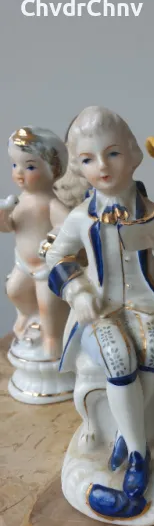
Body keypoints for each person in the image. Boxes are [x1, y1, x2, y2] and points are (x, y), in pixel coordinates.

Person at [46, 106, 154, 518]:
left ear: (133, 156)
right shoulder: (81, 218)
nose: (102, 166)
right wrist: (76, 290)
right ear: (78, 167)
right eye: (88, 159)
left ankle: (125, 440)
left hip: (148, 306)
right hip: (101, 309)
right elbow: (56, 257)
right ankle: (140, 454)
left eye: (112, 154)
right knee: (118, 356)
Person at [0, 126, 72, 358]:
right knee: (14, 290)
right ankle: (27, 316)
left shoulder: (51, 203)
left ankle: (53, 338)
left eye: (30, 167)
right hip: (23, 263)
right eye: (15, 165)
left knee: (47, 303)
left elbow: (68, 226)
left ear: (53, 170)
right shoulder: (20, 200)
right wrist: (3, 215)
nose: (19, 173)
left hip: (45, 267)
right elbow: (10, 226)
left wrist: (52, 239)